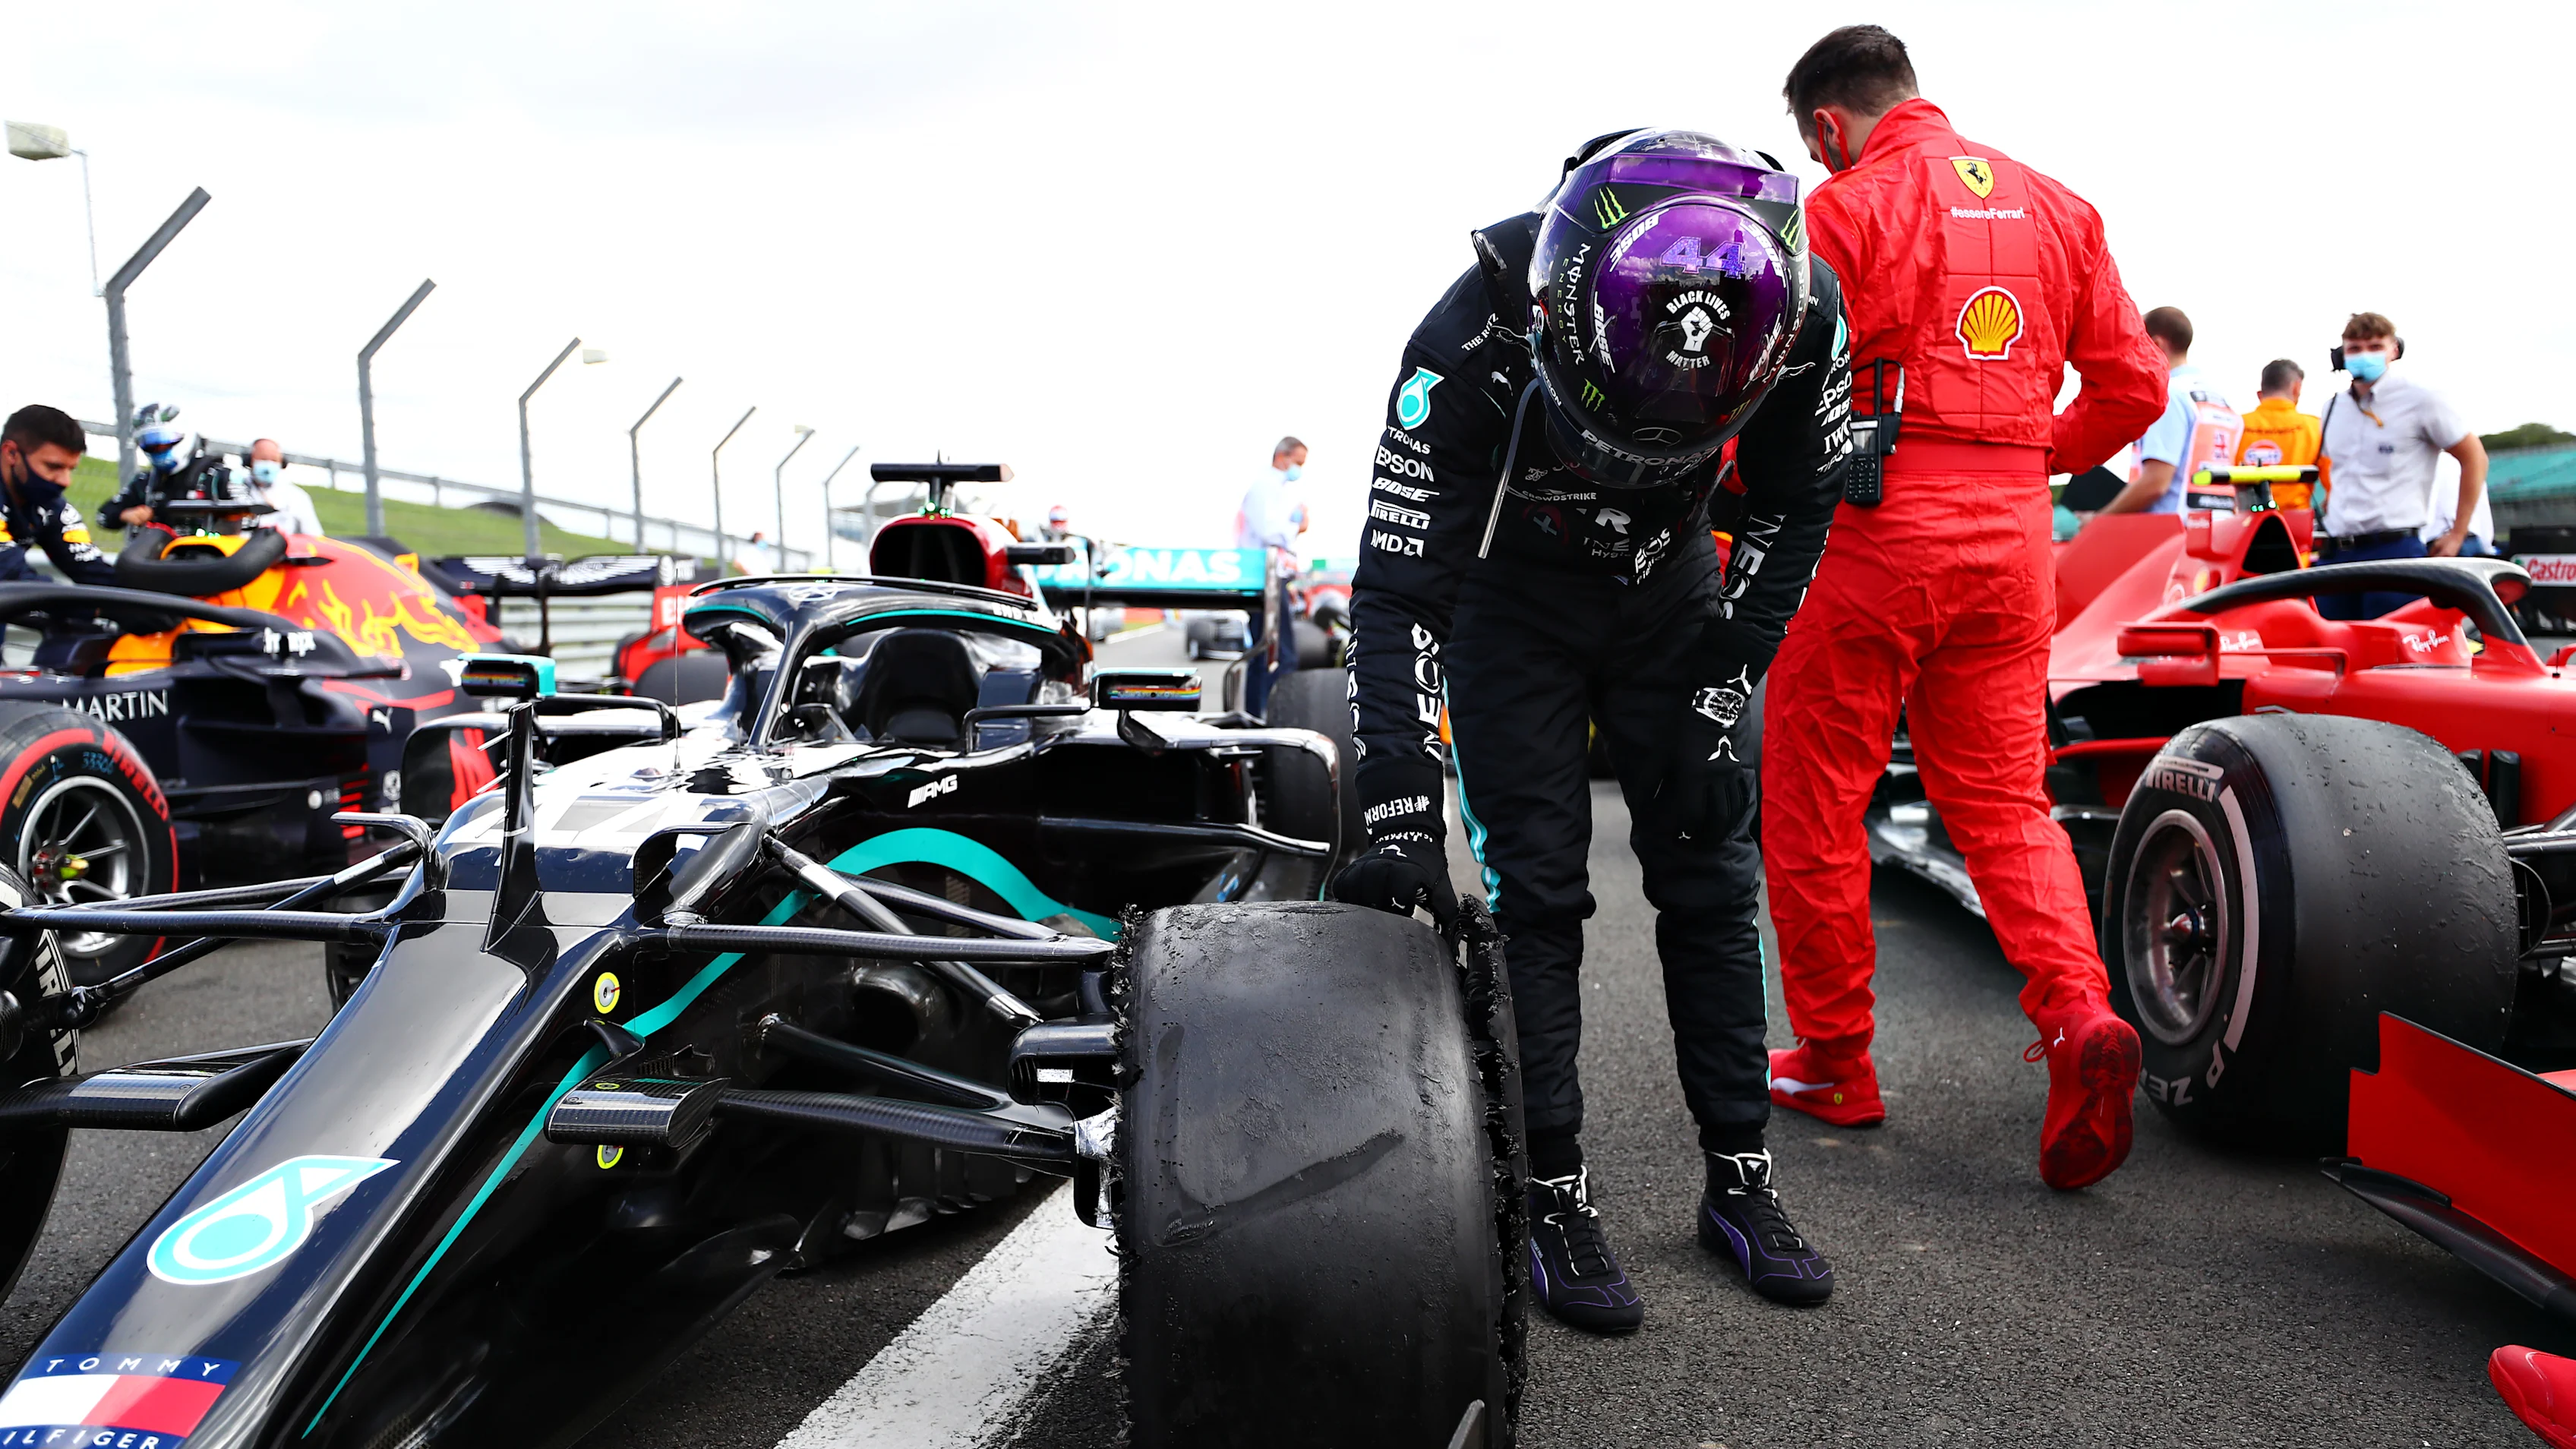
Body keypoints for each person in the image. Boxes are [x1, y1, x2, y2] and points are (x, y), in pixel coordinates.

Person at [1332, 128, 1855, 1331]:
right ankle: (1550, 1191)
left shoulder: (1805, 312)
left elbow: (1795, 507)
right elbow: (1399, 588)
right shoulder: (1466, 336)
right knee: (1539, 895)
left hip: (1673, 598)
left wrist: (1724, 688)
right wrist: (1402, 797)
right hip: (1508, 609)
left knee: (1713, 873)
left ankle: (1741, 1181)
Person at [1763, 26, 2168, 1192]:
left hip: (1874, 535)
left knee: (1818, 798)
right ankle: (2079, 1014)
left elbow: (1769, 398)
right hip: (2012, 541)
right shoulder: (2060, 204)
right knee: (2003, 804)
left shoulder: (1839, 210)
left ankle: (1837, 1062)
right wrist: (2030, 454)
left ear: (1829, 128)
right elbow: (2136, 386)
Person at [2314, 311, 2489, 618]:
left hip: (2394, 550)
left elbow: (2474, 457)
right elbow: (2340, 474)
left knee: (2391, 658)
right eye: (2355, 349)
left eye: (2374, 346)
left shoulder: (2421, 399)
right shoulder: (2331, 408)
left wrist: (2458, 533)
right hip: (2339, 553)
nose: (2364, 355)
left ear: (2395, 349)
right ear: (2342, 353)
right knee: (2331, 653)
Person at [2098, 307, 2240, 514]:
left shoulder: (2168, 395)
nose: (2131, 355)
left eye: (2137, 345)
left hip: (2169, 534)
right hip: (2215, 529)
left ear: (2157, 345)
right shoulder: (2221, 399)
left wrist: (2099, 520)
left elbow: (2156, 484)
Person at [0, 406, 118, 586]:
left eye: (70, 469)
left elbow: (97, 575)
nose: (65, 481)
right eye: (53, 467)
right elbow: (13, 578)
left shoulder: (49, 505)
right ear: (11, 453)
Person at [1233, 436, 1307, 716]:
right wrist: (1297, 528)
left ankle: (1259, 713)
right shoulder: (1265, 487)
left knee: (1270, 653)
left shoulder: (1276, 488)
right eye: (1298, 463)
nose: (1299, 469)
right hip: (1263, 579)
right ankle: (1269, 714)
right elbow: (1267, 532)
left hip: (1271, 577)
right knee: (1277, 654)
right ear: (1283, 457)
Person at [97, 402, 231, 533]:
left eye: (163, 442)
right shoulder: (146, 483)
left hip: (207, 552)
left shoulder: (217, 477)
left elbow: (247, 521)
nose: (158, 449)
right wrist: (125, 514)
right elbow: (103, 516)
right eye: (150, 444)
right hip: (154, 553)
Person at [2236, 358, 2322, 511]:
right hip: (2297, 528)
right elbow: (2337, 485)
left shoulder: (2236, 426)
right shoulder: (2316, 427)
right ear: (2296, 388)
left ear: (2260, 394)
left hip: (2243, 526)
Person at [242, 438, 325, 536]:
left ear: (282, 463)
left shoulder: (297, 497)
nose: (268, 465)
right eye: (263, 459)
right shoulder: (235, 490)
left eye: (273, 460)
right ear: (249, 461)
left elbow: (314, 536)